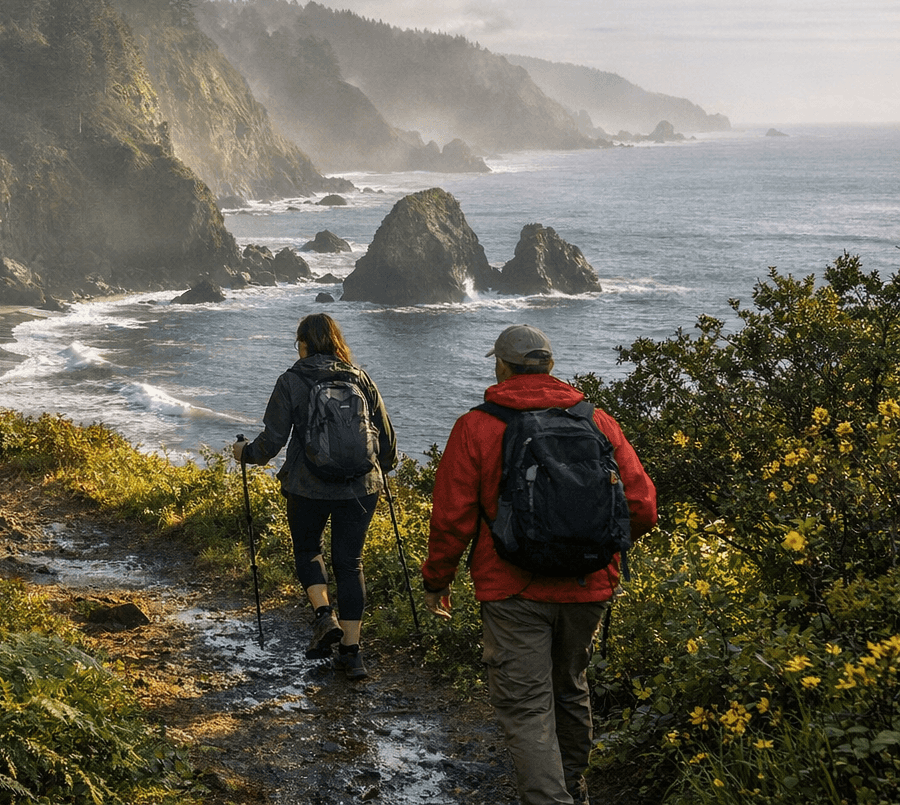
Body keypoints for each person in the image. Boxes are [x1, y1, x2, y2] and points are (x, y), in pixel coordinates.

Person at [421, 324, 657, 805]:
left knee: (527, 707)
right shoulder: (597, 421)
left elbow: (452, 516)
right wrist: (596, 549)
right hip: (587, 584)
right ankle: (574, 788)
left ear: (502, 367)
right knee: (570, 688)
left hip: (512, 590)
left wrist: (437, 580)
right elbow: (643, 505)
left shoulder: (478, 425)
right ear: (550, 366)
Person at [232, 313, 396, 680]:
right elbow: (387, 443)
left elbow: (270, 444)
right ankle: (352, 654)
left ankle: (324, 616)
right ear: (336, 341)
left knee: (308, 550)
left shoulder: (292, 380)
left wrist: (244, 452)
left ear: (303, 343)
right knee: (350, 563)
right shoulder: (360, 378)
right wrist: (380, 467)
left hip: (308, 486)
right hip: (361, 486)